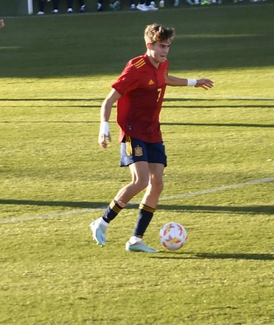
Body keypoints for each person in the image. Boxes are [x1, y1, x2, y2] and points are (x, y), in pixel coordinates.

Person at [88, 24, 214, 253]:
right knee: (141, 181)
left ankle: (136, 239)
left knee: (157, 183)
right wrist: (103, 128)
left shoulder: (162, 63)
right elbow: (108, 100)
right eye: (161, 46)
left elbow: (165, 78)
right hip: (132, 130)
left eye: (168, 46)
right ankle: (102, 222)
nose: (166, 50)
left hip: (152, 130)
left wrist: (195, 82)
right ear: (150, 45)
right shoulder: (135, 67)